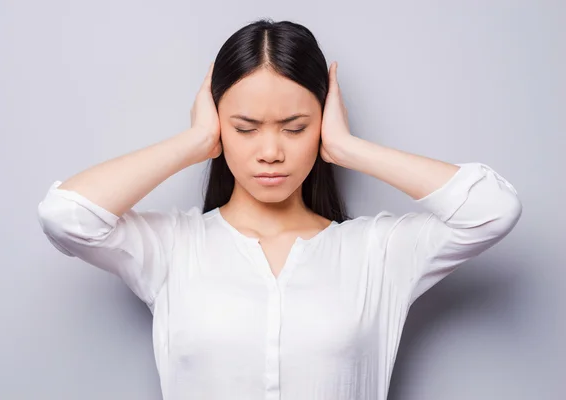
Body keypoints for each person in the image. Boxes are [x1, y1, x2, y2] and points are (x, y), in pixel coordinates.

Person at [37, 19, 522, 400]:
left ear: (323, 123)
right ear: (219, 124)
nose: (270, 151)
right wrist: (195, 141)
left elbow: (493, 208)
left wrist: (348, 148)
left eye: (294, 127)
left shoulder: (378, 253)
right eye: (245, 128)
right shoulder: (171, 248)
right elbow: (66, 215)